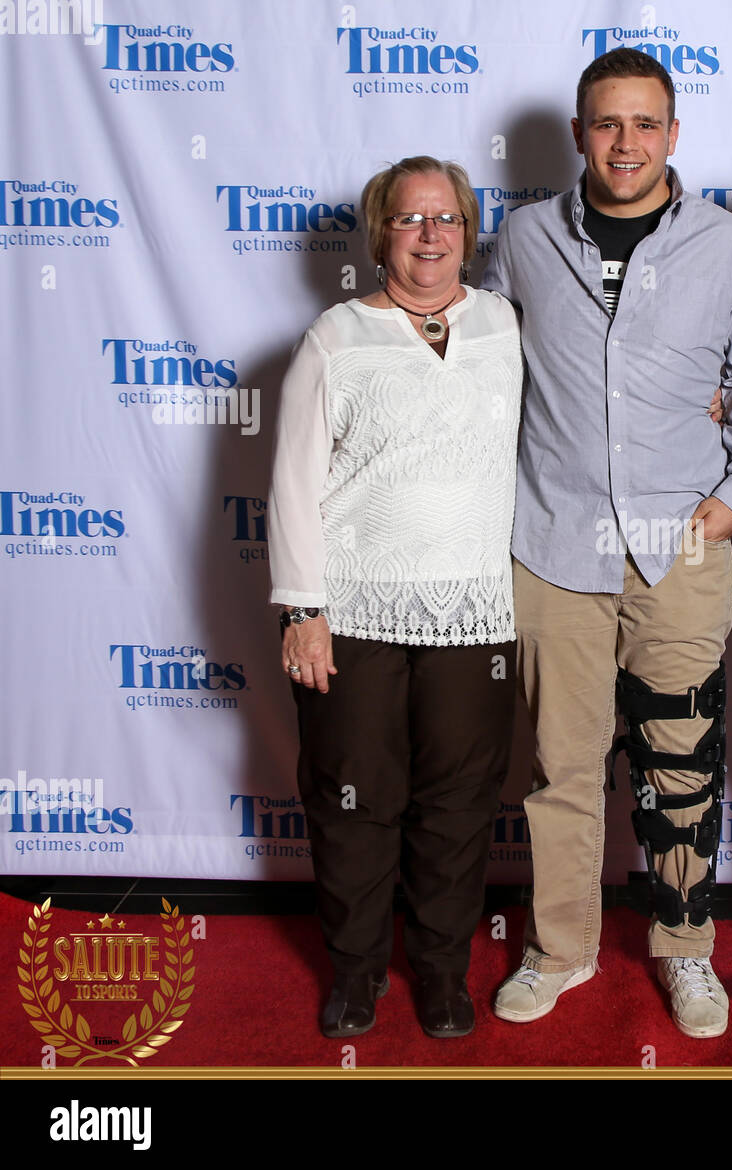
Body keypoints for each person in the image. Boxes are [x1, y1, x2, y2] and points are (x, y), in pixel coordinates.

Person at [481, 48, 732, 1038]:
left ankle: (685, 950)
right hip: (555, 544)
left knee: (681, 761)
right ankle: (559, 949)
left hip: (681, 546)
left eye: (645, 124)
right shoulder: (519, 241)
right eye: (607, 123)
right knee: (559, 767)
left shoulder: (729, 247)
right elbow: (480, 373)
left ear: (673, 135)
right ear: (577, 133)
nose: (625, 143)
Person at [268, 156, 523, 1040]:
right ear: (381, 232)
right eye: (411, 219)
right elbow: (294, 479)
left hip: (476, 612)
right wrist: (303, 609)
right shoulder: (335, 338)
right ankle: (354, 972)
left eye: (446, 218)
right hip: (355, 612)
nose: (430, 235)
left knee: (457, 807)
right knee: (353, 797)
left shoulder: (503, 325)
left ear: (468, 231)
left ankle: (444, 974)